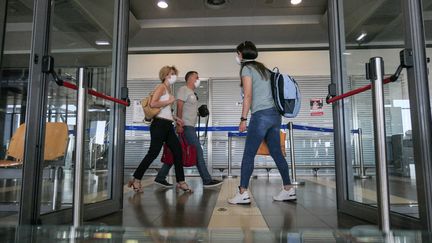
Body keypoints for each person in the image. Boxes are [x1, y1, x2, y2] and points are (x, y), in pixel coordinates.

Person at [228, 41, 296, 205]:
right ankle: (288, 189)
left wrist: (243, 119)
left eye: (237, 54)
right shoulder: (265, 70)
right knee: (276, 153)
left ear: (242, 54)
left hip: (261, 116)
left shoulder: (246, 69)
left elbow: (248, 95)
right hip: (275, 116)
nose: (237, 57)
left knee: (249, 154)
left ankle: (243, 192)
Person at [128, 65, 193, 193]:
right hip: (159, 125)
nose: (173, 76)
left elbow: (164, 111)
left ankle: (181, 181)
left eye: (174, 73)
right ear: (165, 75)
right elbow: (153, 104)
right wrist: (169, 102)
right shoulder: (161, 87)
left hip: (168, 125)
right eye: (171, 74)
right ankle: (136, 179)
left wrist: (175, 118)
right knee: (153, 153)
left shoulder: (168, 90)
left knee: (178, 152)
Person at [154, 71, 223, 188]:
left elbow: (188, 109)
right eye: (196, 77)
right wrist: (179, 124)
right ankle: (207, 180)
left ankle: (160, 177)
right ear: (190, 78)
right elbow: (179, 106)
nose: (198, 79)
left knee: (175, 152)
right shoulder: (183, 89)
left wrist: (199, 112)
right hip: (185, 127)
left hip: (190, 126)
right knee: (198, 152)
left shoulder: (192, 93)